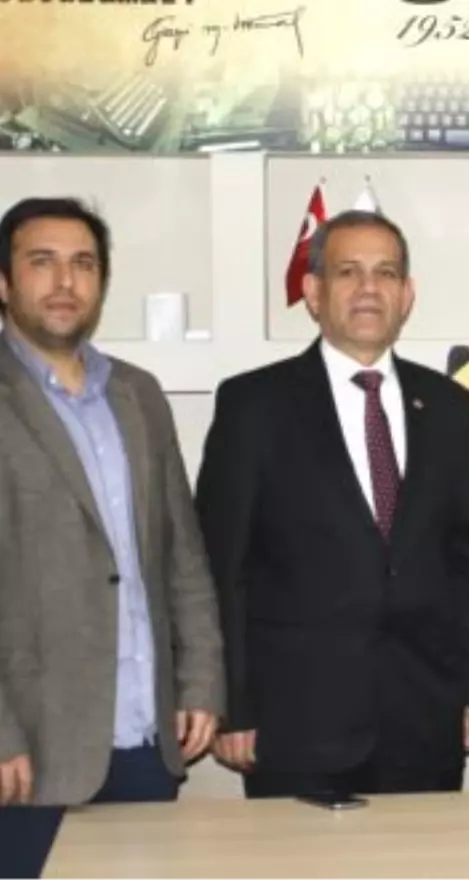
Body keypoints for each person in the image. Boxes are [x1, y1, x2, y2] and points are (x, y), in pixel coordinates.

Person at [194, 209, 469, 798]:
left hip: (424, 718)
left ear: (407, 295)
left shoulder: (448, 406)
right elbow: (222, 567)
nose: (368, 288)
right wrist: (233, 704)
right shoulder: (253, 405)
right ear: (313, 291)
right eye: (348, 271)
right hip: (296, 722)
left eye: (386, 273)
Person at [0, 197, 225, 878]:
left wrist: (202, 682)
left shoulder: (139, 394)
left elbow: (182, 555)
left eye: (83, 264)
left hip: (145, 739)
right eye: (42, 262)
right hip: (27, 751)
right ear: (4, 282)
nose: (65, 281)